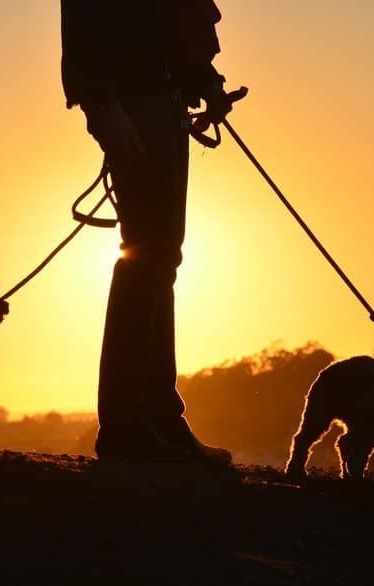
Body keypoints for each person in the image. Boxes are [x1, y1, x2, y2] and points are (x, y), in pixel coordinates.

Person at [61, 1, 235, 464]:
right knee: (146, 257)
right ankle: (128, 425)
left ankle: (158, 419)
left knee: (161, 259)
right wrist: (101, 105)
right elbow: (85, 18)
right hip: (134, 103)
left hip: (164, 100)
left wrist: (205, 84)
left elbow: (176, 17)